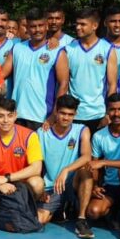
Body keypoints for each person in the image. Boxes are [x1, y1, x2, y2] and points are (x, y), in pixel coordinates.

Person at [0, 99, 45, 218]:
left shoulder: (29, 135)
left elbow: (36, 168)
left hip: (22, 184)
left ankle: (25, 207)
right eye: (0, 116)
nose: (5, 120)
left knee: (37, 183)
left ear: (15, 116)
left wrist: (7, 178)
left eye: (10, 115)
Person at [55, 8, 118, 134]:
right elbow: (63, 83)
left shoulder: (107, 49)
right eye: (77, 24)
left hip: (98, 113)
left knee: (97, 153)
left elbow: (112, 84)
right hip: (74, 113)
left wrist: (108, 113)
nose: (78, 27)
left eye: (83, 24)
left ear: (95, 25)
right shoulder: (68, 50)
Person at [85, 93, 120, 239]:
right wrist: (95, 185)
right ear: (107, 111)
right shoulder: (99, 136)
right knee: (93, 212)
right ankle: (113, 213)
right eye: (112, 110)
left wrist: (105, 162)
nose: (116, 114)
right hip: (110, 186)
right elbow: (94, 165)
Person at [37, 96, 92, 232]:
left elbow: (86, 156)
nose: (66, 118)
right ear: (56, 111)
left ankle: (81, 220)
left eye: (70, 114)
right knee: (39, 221)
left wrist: (66, 169)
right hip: (52, 186)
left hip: (73, 183)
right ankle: (60, 207)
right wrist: (40, 188)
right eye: (63, 113)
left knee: (85, 171)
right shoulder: (41, 133)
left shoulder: (82, 130)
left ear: (75, 114)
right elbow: (36, 163)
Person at [5, 8, 61, 130]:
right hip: (17, 114)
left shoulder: (57, 51)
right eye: (33, 26)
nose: (37, 30)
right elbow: (1, 73)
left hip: (42, 117)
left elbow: (64, 84)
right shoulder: (17, 48)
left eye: (40, 25)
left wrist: (54, 114)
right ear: (27, 28)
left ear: (46, 26)